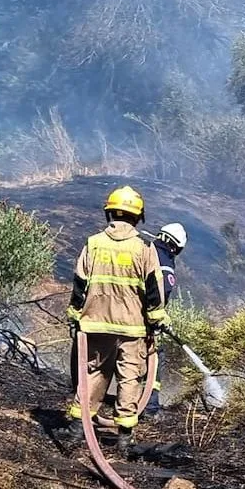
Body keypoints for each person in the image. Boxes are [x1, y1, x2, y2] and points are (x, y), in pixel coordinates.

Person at [61, 185, 169, 447]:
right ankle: (125, 438)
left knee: (93, 373)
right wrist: (157, 319)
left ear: (109, 213)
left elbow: (79, 283)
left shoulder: (93, 244)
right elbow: (154, 289)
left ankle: (77, 428)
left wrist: (75, 313)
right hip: (132, 329)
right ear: (138, 217)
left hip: (95, 325)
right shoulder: (144, 249)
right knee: (130, 378)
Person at [142, 222, 187, 422]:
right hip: (143, 322)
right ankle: (150, 408)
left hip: (119, 315)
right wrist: (159, 318)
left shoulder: (146, 249)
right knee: (154, 359)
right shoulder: (165, 262)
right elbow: (162, 293)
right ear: (174, 246)